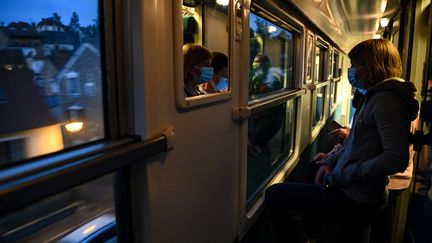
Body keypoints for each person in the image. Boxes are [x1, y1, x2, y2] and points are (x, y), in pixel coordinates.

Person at [265, 39, 419, 243]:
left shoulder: (386, 101)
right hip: (359, 191)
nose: (351, 71)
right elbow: (359, 142)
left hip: (356, 197)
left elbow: (396, 158)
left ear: (371, 66)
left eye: (354, 65)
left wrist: (348, 171)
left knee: (275, 195)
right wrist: (331, 160)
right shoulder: (374, 96)